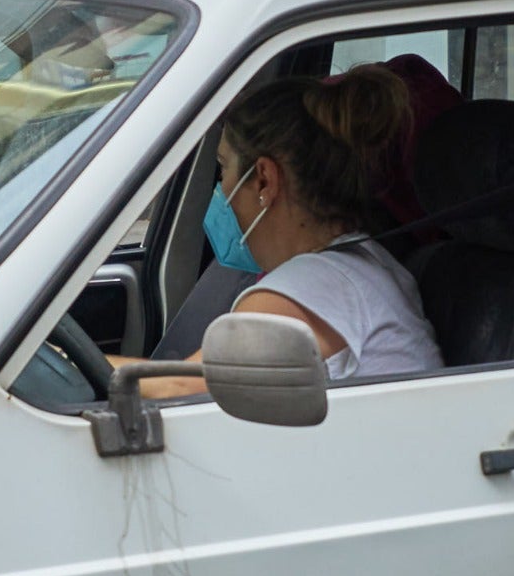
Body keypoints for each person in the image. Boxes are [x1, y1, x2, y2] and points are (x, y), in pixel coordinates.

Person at [141, 65, 444, 398]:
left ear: (264, 180)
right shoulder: (363, 262)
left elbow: (177, 390)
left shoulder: (311, 288)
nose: (221, 189)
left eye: (223, 167)